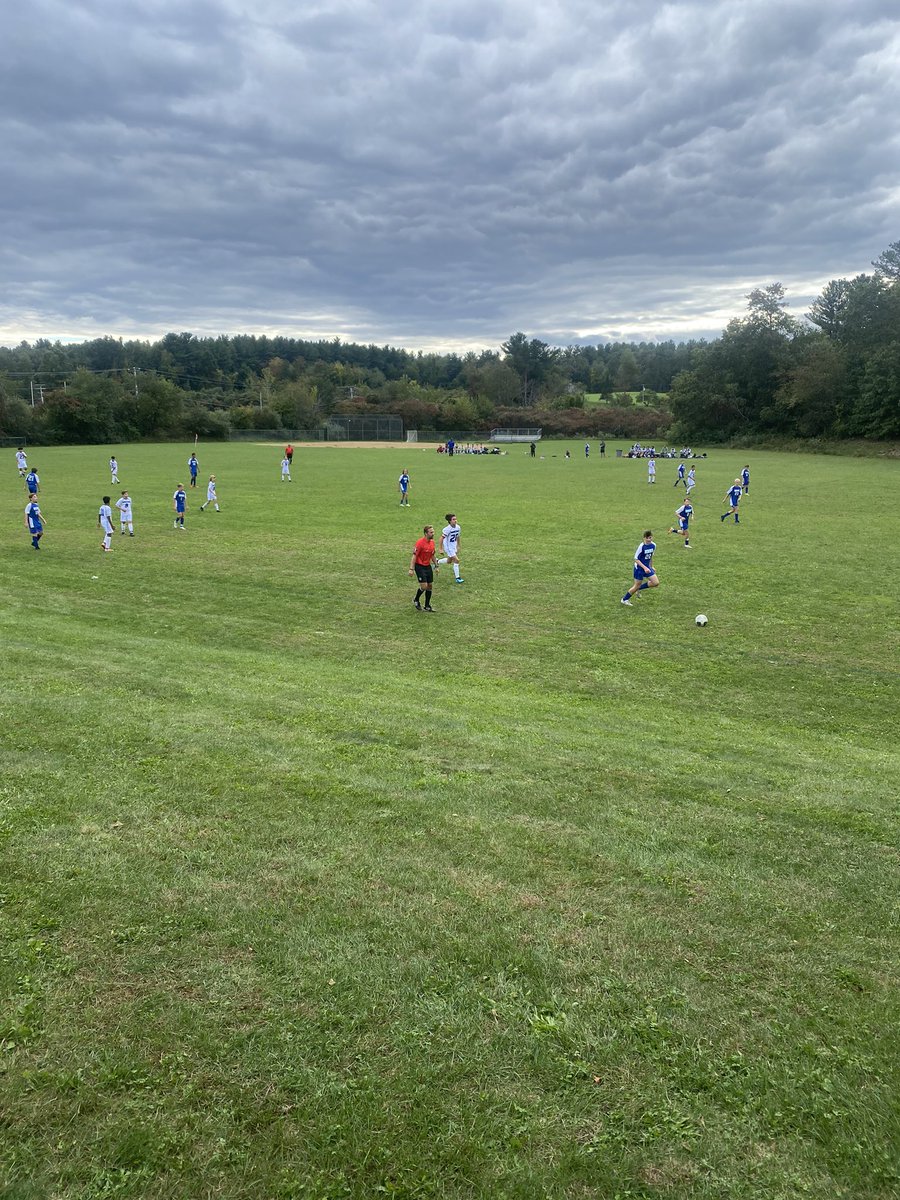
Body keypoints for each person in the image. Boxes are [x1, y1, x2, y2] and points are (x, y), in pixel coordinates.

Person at [621, 531, 659, 606]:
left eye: (650, 537)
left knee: (655, 583)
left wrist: (651, 567)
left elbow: (650, 557)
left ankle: (639, 589)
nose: (649, 539)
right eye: (647, 538)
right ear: (644, 538)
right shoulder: (641, 546)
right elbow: (636, 559)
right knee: (636, 585)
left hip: (647, 567)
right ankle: (624, 599)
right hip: (639, 568)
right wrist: (645, 568)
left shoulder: (653, 545)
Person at [409, 524, 438, 611]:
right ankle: (416, 599)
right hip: (419, 566)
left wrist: (436, 565)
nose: (433, 533)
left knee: (429, 586)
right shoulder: (420, 543)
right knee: (424, 586)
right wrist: (411, 569)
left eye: (433, 532)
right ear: (426, 533)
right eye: (431, 532)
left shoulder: (432, 543)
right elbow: (414, 556)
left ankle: (427, 605)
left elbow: (432, 555)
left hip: (427, 566)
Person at [438, 513, 463, 583]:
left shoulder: (458, 527)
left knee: (449, 561)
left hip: (453, 546)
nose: (455, 520)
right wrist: (440, 549)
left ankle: (437, 562)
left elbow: (458, 536)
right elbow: (441, 538)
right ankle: (457, 578)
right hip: (448, 547)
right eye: (453, 519)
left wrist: (458, 545)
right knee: (457, 560)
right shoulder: (447, 529)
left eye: (455, 519)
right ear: (449, 521)